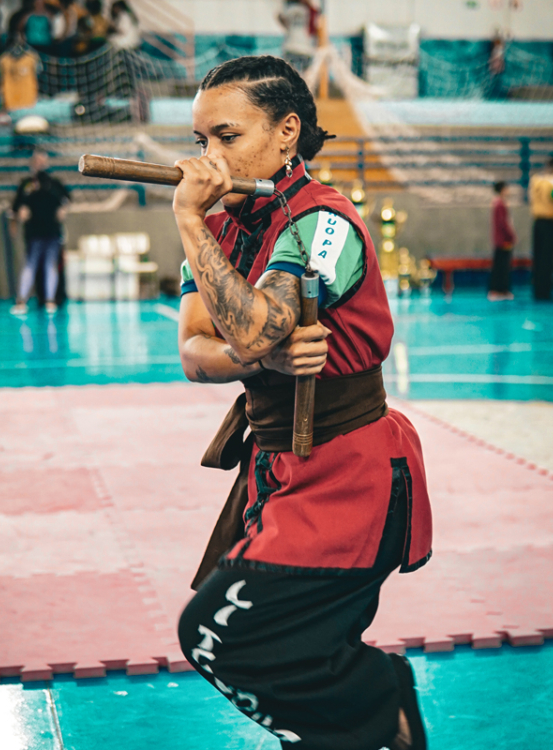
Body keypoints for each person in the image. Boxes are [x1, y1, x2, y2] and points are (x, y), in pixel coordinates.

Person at [173, 55, 432, 750]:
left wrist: (190, 222)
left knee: (216, 636)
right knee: (300, 651)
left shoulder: (323, 223)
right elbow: (195, 353)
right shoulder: (220, 229)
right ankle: (372, 726)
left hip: (350, 471)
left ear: (287, 132)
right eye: (200, 141)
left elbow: (256, 326)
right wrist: (258, 357)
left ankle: (383, 702)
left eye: (227, 137)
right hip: (277, 464)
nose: (209, 158)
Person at [10, 149, 70, 315]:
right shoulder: (26, 185)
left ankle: (50, 301)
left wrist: (63, 210)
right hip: (33, 233)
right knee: (30, 265)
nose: (40, 164)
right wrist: (19, 215)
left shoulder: (54, 184)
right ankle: (21, 301)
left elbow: (66, 199)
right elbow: (15, 207)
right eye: (37, 161)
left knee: (50, 265)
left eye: (43, 161)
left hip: (52, 231)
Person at [528, 156, 553, 301]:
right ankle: (545, 291)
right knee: (548, 258)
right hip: (550, 222)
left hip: (537, 222)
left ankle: (537, 290)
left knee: (537, 257)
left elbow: (531, 199)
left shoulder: (535, 180)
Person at [488, 181, 516, 300]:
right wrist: (511, 236)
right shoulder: (500, 204)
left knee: (501, 265)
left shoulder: (498, 203)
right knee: (502, 266)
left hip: (500, 239)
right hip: (503, 240)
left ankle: (500, 290)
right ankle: (499, 290)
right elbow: (503, 223)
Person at [277, 0, 317, 72]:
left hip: (290, 46)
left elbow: (280, 17)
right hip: (306, 48)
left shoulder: (288, 9)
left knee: (290, 74)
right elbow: (314, 29)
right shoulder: (308, 10)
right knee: (306, 74)